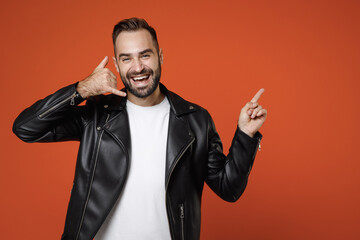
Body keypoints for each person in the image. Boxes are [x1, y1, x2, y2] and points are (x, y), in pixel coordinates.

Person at [13, 18, 267, 240]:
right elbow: (25, 128)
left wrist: (245, 135)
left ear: (160, 56)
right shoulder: (97, 115)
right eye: (127, 58)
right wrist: (80, 90)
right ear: (116, 63)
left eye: (145, 55)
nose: (137, 67)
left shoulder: (195, 120)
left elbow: (229, 189)